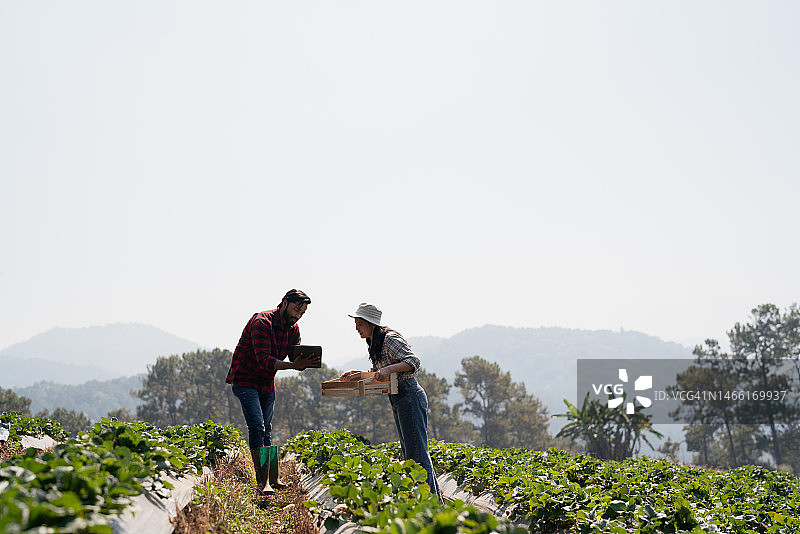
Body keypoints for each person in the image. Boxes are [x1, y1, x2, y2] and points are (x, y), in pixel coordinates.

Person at [344, 302, 442, 501]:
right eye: (356, 323)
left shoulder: (390, 338)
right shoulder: (375, 342)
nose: (357, 328)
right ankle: (433, 502)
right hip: (398, 397)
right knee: (412, 453)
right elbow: (379, 372)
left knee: (417, 456)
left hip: (410, 395)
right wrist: (358, 375)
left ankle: (431, 506)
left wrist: (388, 370)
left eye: (360, 324)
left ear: (371, 323)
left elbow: (413, 362)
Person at [226, 289, 320, 490]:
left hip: (266, 382)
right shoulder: (262, 322)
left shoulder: (293, 329)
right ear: (285, 302)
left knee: (267, 429)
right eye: (296, 309)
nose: (298, 315)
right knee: (257, 427)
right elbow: (264, 360)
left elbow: (292, 357)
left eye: (302, 313)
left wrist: (302, 361)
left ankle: (273, 480)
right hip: (245, 379)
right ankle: (262, 483)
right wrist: (294, 365)